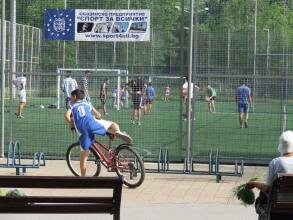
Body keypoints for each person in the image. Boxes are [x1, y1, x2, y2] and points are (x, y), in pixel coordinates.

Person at [64, 89, 132, 176]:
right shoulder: (87, 104)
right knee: (112, 124)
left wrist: (71, 124)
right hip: (93, 123)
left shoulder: (72, 106)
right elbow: (98, 115)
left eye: (71, 97)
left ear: (74, 97)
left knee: (84, 157)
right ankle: (116, 133)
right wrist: (95, 118)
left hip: (83, 131)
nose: (70, 99)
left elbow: (66, 116)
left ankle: (83, 179)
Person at [246, 130, 293, 219]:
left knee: (262, 195)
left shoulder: (275, 162)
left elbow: (267, 188)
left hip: (276, 207)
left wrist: (253, 183)